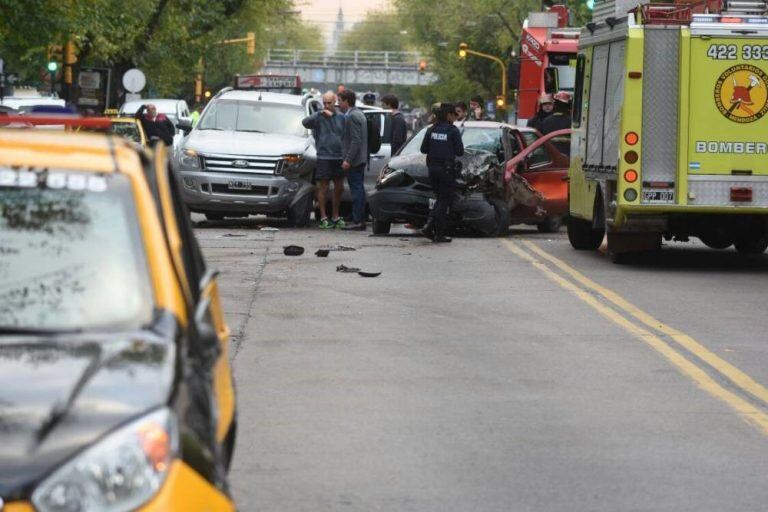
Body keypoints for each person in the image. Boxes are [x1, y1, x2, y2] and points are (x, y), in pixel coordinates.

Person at [420, 103, 464, 243]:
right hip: (446, 170)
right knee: (444, 200)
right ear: (449, 115)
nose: (455, 118)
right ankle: (430, 227)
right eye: (454, 115)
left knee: (440, 199)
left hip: (432, 169)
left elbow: (423, 149)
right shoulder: (452, 131)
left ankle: (437, 233)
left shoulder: (432, 129)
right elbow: (460, 151)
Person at [303, 91, 346, 229]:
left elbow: (344, 134)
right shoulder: (319, 117)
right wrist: (319, 113)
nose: (327, 105)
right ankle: (323, 217)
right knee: (324, 187)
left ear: (335, 102)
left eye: (329, 103)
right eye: (325, 103)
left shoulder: (341, 117)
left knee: (339, 188)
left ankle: (335, 215)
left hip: (339, 156)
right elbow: (305, 122)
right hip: (324, 156)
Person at [338, 89, 368, 231]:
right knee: (358, 189)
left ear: (346, 101)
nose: (338, 104)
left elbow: (356, 140)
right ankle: (357, 217)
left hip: (355, 161)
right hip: (359, 159)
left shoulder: (352, 116)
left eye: (340, 101)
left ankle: (358, 220)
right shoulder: (358, 114)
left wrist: (348, 160)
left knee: (357, 191)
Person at [539, 91, 572, 155]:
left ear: (555, 105)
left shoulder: (546, 121)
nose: (547, 106)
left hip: (551, 157)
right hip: (568, 157)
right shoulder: (571, 121)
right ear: (568, 106)